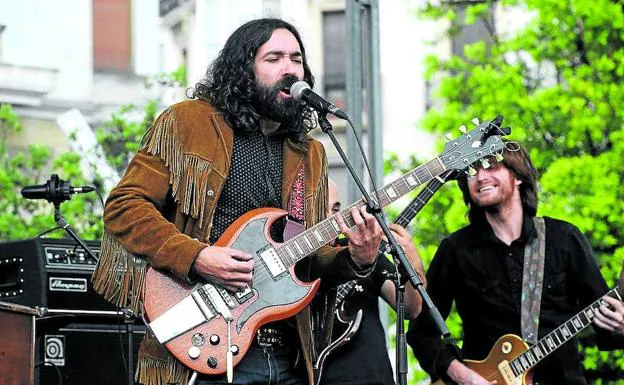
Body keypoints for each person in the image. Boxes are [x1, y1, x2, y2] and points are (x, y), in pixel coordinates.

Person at [91, 18, 382, 385]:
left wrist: (356, 258)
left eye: (296, 58)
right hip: (201, 343)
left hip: (287, 354)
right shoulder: (188, 122)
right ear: (243, 68)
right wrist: (195, 257)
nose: (290, 68)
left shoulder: (309, 153)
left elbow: (305, 258)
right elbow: (124, 206)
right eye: (274, 58)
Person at [406, 143, 624, 385]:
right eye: (471, 172)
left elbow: (608, 324)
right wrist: (463, 376)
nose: (480, 177)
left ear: (518, 176)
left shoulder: (564, 239)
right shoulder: (456, 250)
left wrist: (621, 326)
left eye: (492, 167)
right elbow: (423, 332)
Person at [317, 178, 426, 385]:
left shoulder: (360, 249)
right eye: (322, 209)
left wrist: (411, 261)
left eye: (336, 209)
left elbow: (412, 308)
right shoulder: (296, 268)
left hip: (373, 378)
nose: (332, 218)